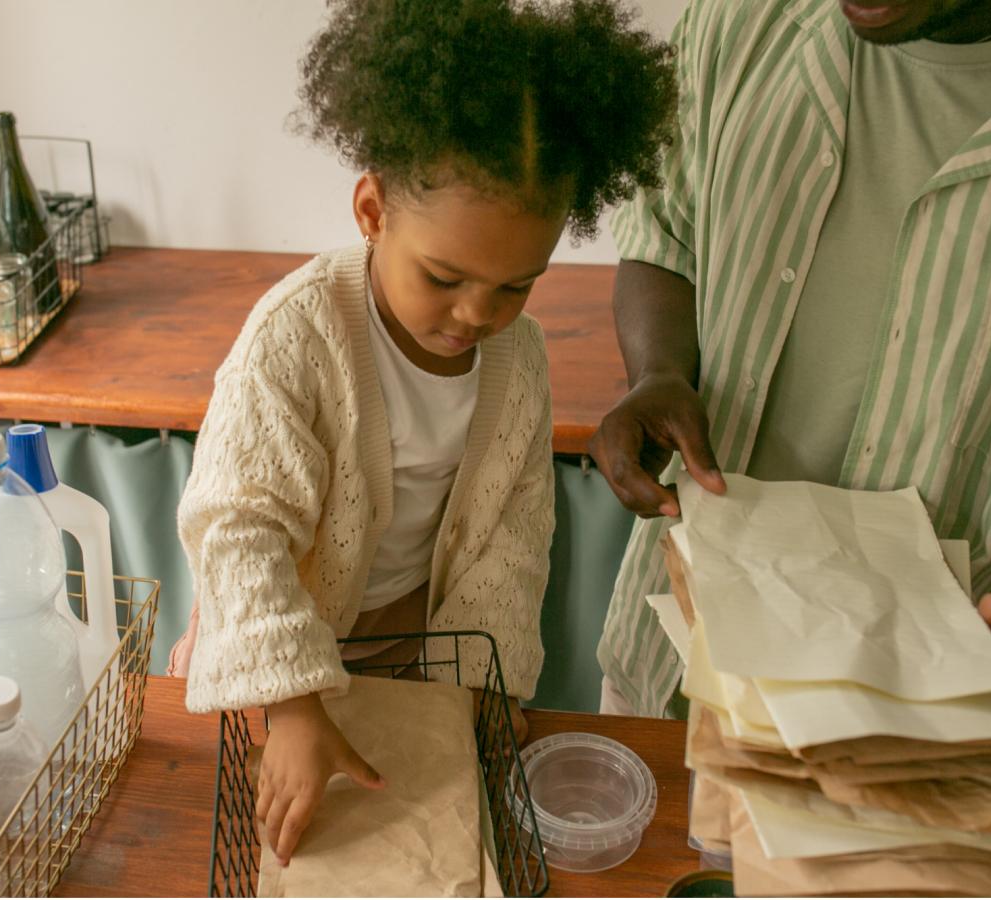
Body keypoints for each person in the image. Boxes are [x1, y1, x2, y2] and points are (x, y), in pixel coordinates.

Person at [172, 0, 675, 866]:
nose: (477, 315)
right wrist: (292, 704)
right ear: (372, 211)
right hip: (283, 645)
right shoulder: (296, 337)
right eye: (445, 277)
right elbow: (237, 529)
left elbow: (513, 539)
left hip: (415, 645)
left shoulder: (517, 360)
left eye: (518, 285)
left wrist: (479, 689)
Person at [591, 0, 991, 719]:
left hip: (925, 721)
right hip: (669, 669)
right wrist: (659, 370)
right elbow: (666, 233)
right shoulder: (740, 20)